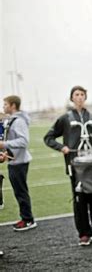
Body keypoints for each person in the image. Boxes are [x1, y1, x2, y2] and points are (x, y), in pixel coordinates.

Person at [44, 86, 92, 246]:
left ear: (85, 97)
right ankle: (84, 233)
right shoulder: (65, 118)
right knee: (80, 200)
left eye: (82, 94)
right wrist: (62, 148)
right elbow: (48, 137)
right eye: (76, 95)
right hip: (75, 166)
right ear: (72, 98)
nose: (79, 97)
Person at [0, 95, 36, 231]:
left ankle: (28, 219)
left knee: (21, 192)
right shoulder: (13, 119)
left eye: (5, 104)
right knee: (19, 191)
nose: (3, 107)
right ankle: (25, 217)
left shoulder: (19, 121)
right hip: (14, 161)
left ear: (13, 105)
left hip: (19, 162)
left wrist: (4, 143)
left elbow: (23, 141)